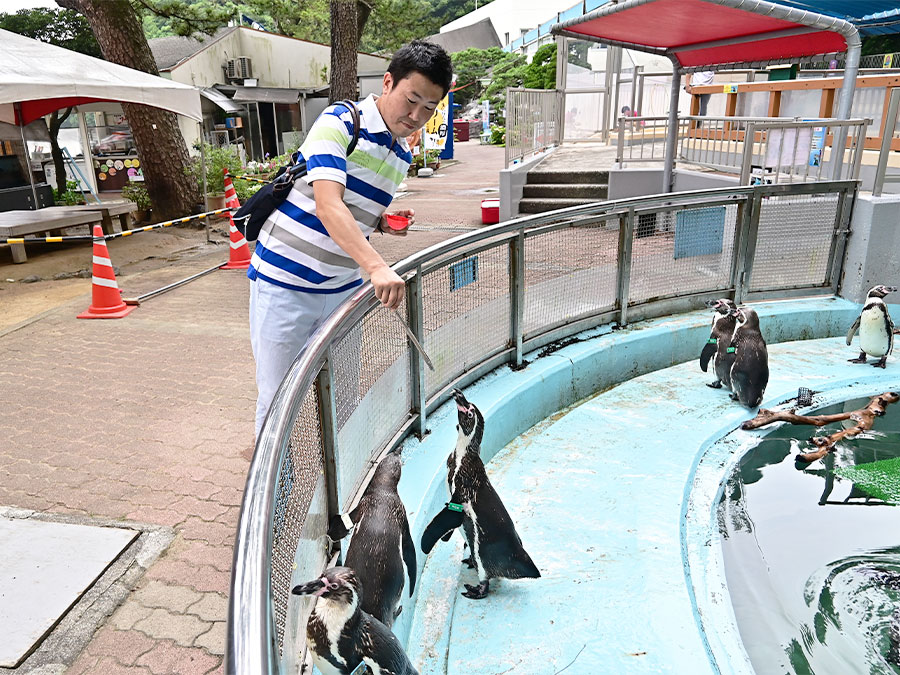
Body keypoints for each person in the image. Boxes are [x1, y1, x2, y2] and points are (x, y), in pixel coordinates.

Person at [248, 40, 453, 439]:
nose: (416, 116)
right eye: (411, 101)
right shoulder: (340, 122)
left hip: (342, 289)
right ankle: (275, 496)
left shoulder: (401, 155)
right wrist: (376, 265)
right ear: (388, 82)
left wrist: (382, 224)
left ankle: (337, 485)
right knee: (277, 400)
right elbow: (328, 205)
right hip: (284, 284)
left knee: (344, 397)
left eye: (429, 108)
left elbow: (354, 212)